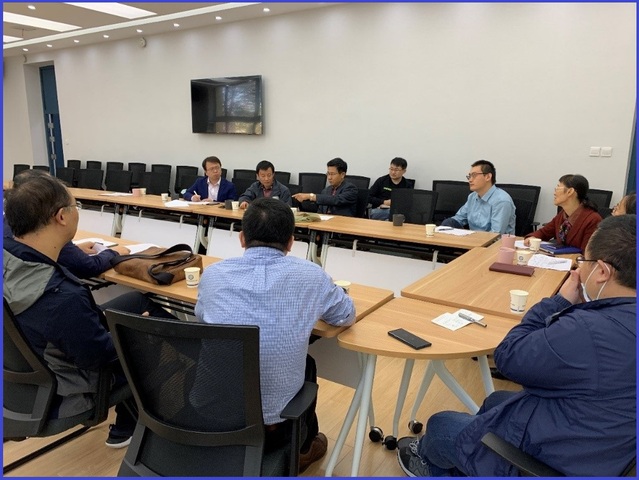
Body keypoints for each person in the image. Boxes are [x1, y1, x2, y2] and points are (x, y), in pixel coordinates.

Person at [397, 214, 636, 477]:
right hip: (603, 445)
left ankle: (429, 465)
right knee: (495, 401)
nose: (578, 270)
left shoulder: (588, 330)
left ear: (602, 271)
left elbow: (508, 356)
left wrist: (559, 302)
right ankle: (471, 461)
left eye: (583, 262)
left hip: (558, 461)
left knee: (440, 426)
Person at [3, 174, 177, 449]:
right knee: (153, 335)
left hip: (21, 382)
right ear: (62, 217)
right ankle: (135, 427)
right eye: (76, 206)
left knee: (137, 302)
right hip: (68, 392)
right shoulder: (62, 297)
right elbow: (99, 357)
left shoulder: (10, 257)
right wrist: (136, 332)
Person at [194, 197, 355, 472]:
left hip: (212, 414)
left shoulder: (213, 275)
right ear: (291, 242)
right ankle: (303, 449)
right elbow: (346, 315)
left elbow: (201, 316)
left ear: (242, 238)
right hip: (274, 426)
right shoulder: (311, 276)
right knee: (307, 364)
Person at [3, 169, 131, 279]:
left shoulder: (9, 222)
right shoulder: (50, 229)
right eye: (75, 206)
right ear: (61, 216)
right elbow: (88, 267)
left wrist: (72, 250)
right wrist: (114, 253)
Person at [524, 174, 602, 252]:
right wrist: (532, 237)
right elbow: (544, 232)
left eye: (558, 188)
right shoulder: (563, 214)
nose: (554, 193)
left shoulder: (593, 219)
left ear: (570, 191)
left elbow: (588, 254)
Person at [441, 160, 516, 234]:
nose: (470, 180)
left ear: (488, 177)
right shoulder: (472, 197)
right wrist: (446, 225)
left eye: (474, 175)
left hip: (495, 241)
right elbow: (459, 219)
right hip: (473, 239)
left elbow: (496, 234)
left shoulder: (501, 201)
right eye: (469, 176)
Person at [292, 158, 358, 216]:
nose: (329, 177)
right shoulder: (326, 190)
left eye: (332, 174)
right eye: (328, 174)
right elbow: (320, 211)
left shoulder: (350, 189)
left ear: (342, 175)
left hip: (342, 223)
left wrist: (311, 196)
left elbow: (336, 200)